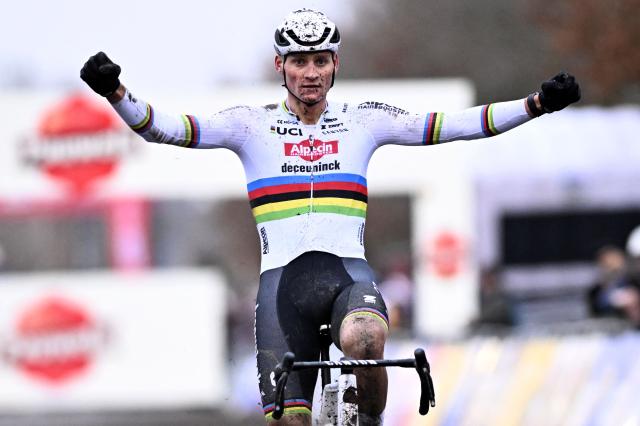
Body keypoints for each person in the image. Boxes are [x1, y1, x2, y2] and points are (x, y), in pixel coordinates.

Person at [80, 9, 581, 425]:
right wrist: (116, 93)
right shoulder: (249, 126)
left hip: (347, 275)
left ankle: (370, 420)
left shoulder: (365, 119)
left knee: (366, 338)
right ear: (280, 64)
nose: (311, 72)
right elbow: (165, 129)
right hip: (282, 291)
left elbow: (454, 126)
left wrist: (535, 105)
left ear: (335, 62)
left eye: (321, 60)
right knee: (291, 421)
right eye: (299, 61)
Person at [587, 245, 640, 328]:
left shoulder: (633, 280)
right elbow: (595, 309)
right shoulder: (596, 289)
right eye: (606, 264)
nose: (611, 266)